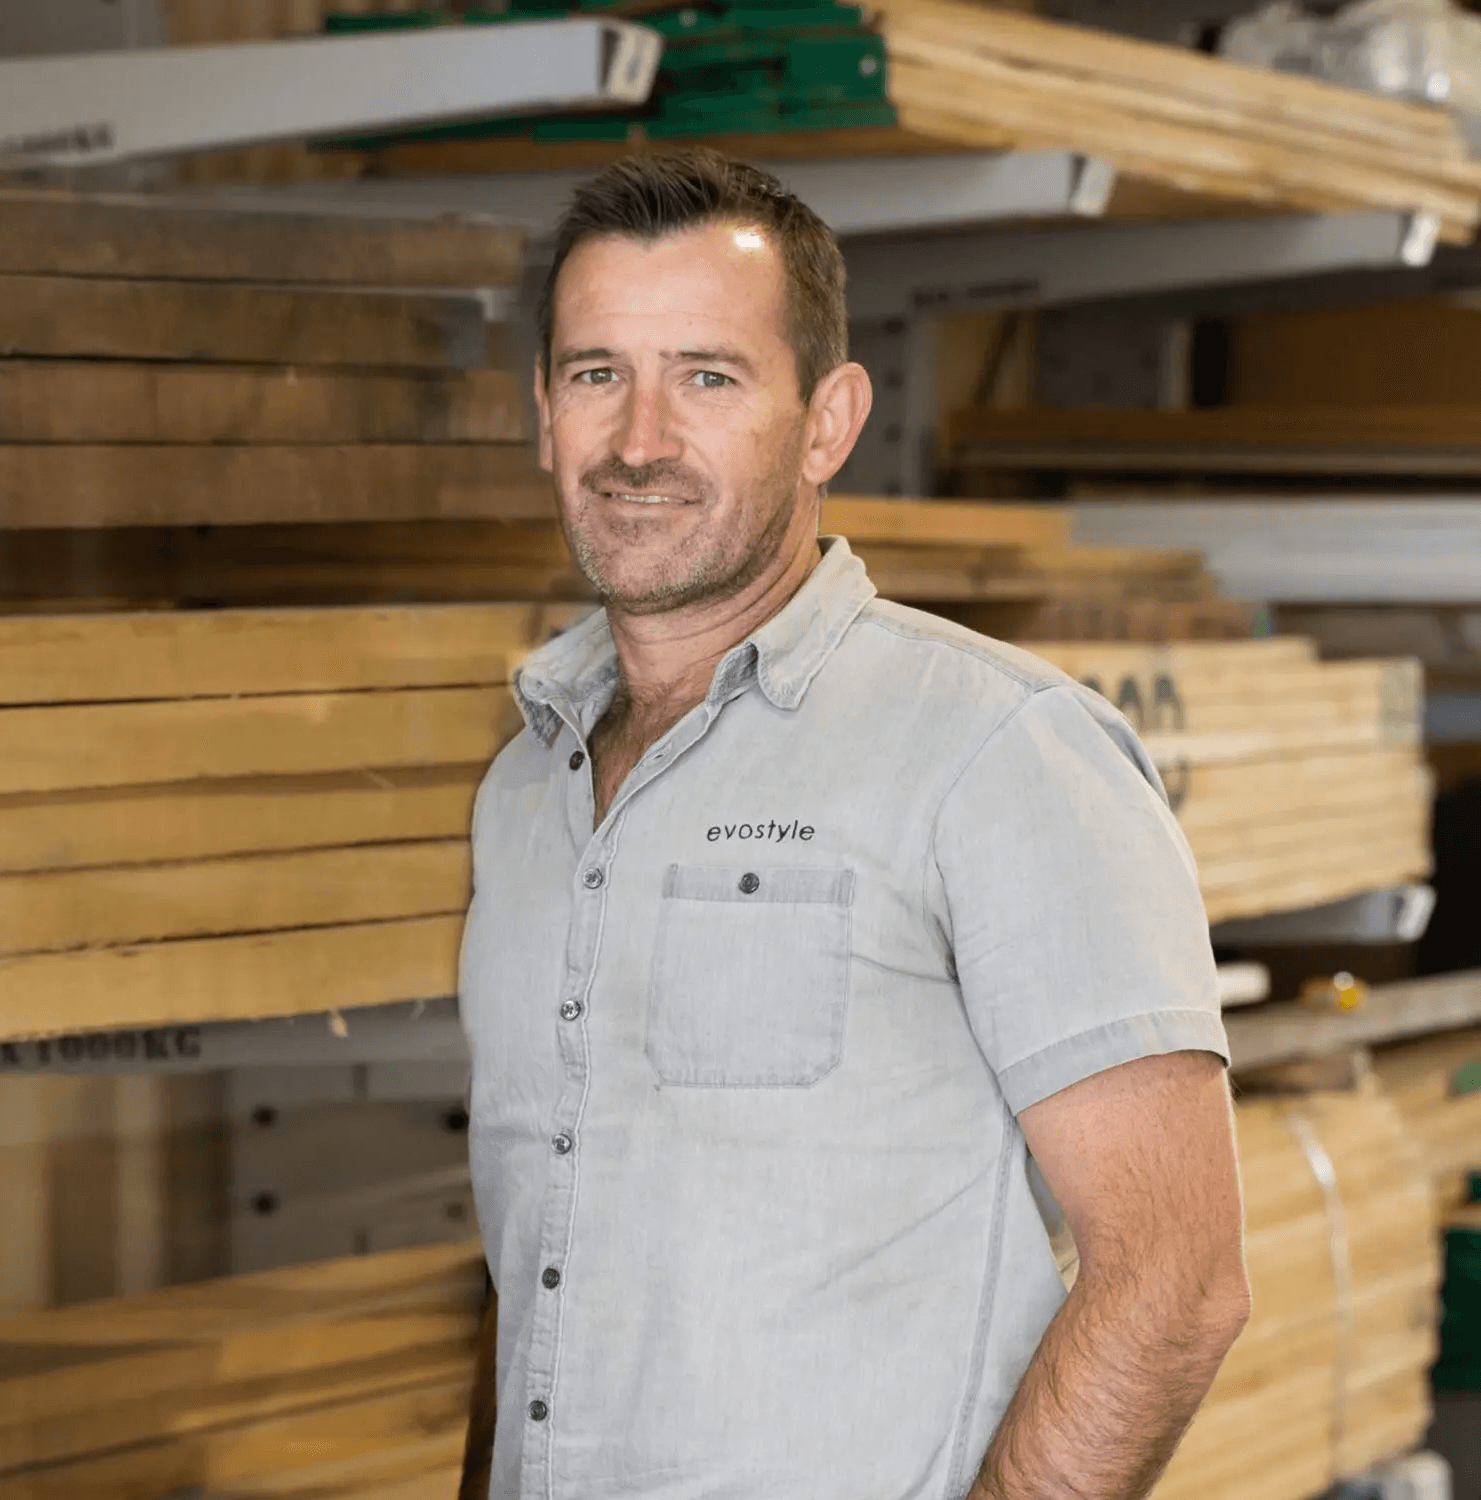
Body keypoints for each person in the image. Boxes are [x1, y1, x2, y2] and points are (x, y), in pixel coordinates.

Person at [458, 147, 1250, 1500]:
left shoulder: (995, 751)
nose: (640, 438)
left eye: (708, 376)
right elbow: (539, 1251)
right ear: (544, 414)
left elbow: (1175, 1279)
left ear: (828, 421)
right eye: (598, 374)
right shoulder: (524, 788)